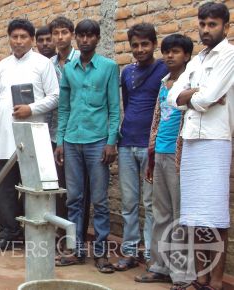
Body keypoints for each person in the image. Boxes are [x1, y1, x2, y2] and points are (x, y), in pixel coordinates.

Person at [167, 3, 233, 289]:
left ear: (225, 27)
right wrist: (194, 94)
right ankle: (200, 276)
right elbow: (171, 96)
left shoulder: (229, 55)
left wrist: (191, 97)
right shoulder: (196, 60)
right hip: (191, 139)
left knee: (215, 214)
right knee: (195, 214)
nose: (206, 30)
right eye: (203, 24)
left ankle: (216, 280)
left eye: (213, 25)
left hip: (216, 140)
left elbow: (208, 99)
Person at [0, 18, 58, 252]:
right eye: (14, 37)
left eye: (23, 37)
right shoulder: (3, 65)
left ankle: (32, 234)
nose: (18, 41)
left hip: (32, 139)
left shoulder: (42, 64)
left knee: (31, 189)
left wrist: (32, 109)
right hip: (5, 139)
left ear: (32, 40)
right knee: (4, 190)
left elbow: (55, 96)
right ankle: (9, 235)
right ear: (9, 39)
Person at [54, 19, 120, 273]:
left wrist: (111, 142)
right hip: (71, 141)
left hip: (98, 142)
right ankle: (76, 249)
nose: (84, 40)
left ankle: (101, 254)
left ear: (97, 38)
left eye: (90, 36)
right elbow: (64, 108)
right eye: (81, 35)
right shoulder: (69, 69)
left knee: (100, 200)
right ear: (76, 38)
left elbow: (114, 109)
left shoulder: (109, 67)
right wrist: (60, 141)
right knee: (74, 199)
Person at [134, 34, 193, 289]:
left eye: (176, 52)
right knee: (160, 214)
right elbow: (157, 120)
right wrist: (151, 152)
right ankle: (159, 266)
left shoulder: (190, 82)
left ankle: (181, 274)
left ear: (187, 56)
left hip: (180, 156)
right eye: (167, 52)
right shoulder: (163, 82)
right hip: (159, 153)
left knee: (180, 215)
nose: (170, 56)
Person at [113, 23, 168, 271]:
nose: (139, 49)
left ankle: (151, 253)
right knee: (129, 203)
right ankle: (130, 251)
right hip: (127, 144)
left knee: (150, 202)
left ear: (154, 44)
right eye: (134, 45)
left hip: (151, 146)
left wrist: (154, 143)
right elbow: (127, 103)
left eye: (145, 44)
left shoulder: (164, 70)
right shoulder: (126, 73)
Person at [49, 16, 91, 254]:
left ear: (71, 35)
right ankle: (64, 235)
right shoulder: (50, 64)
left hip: (80, 134)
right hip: (57, 134)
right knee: (62, 188)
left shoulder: (81, 60)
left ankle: (78, 240)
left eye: (64, 32)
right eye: (56, 33)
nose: (60, 37)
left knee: (79, 190)